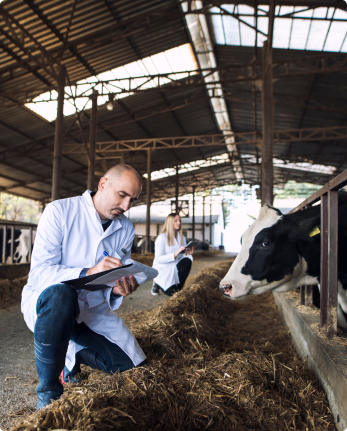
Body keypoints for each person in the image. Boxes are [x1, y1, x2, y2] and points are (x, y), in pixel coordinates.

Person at [21, 164, 149, 409]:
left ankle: (71, 354)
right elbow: (39, 273)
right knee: (62, 294)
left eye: (132, 199)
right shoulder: (59, 211)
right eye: (122, 195)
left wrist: (116, 289)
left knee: (131, 367)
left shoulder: (126, 229)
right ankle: (48, 391)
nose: (126, 207)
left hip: (91, 310)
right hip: (51, 306)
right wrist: (86, 272)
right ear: (103, 184)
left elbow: (110, 280)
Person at [151, 213, 193, 296]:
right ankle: (157, 282)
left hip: (175, 265)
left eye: (180, 221)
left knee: (187, 261)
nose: (179, 223)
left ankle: (179, 288)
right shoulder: (162, 238)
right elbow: (159, 259)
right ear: (170, 222)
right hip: (163, 268)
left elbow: (182, 257)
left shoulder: (182, 238)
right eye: (176, 221)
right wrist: (174, 254)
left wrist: (187, 254)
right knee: (171, 293)